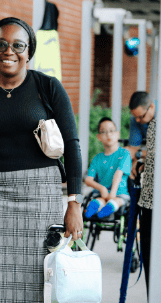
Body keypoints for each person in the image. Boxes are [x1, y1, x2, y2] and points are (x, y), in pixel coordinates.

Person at [0, 17, 83, 302]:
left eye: (18, 45)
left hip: (41, 199)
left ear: (29, 51)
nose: (9, 51)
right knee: (0, 283)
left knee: (38, 280)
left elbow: (72, 146)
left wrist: (74, 204)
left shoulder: (48, 87)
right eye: (1, 44)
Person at [127, 91, 156, 296]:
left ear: (152, 107)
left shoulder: (155, 124)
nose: (138, 121)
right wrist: (129, 165)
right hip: (148, 198)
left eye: (141, 117)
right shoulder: (140, 119)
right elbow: (132, 149)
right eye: (136, 117)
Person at [84, 117, 131, 218]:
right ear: (99, 137)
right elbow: (88, 179)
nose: (108, 134)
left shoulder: (124, 154)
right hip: (102, 194)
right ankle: (96, 206)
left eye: (111, 131)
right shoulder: (97, 158)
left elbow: (118, 173)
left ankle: (108, 207)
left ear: (117, 134)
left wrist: (112, 193)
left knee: (118, 200)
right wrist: (102, 188)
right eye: (104, 132)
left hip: (119, 192)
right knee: (98, 200)